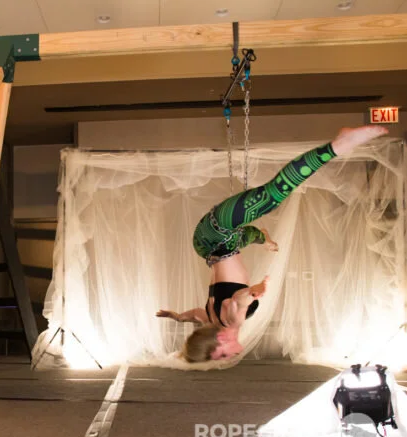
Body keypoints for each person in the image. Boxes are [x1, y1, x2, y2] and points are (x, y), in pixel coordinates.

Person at [157, 125, 388, 363]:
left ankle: (338, 145)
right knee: (253, 235)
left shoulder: (231, 320)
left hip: (218, 232)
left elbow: (237, 300)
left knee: (273, 195)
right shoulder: (211, 321)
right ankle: (264, 238)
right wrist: (177, 317)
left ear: (221, 340)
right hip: (211, 245)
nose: (228, 356)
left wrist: (255, 291)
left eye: (222, 353)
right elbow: (194, 315)